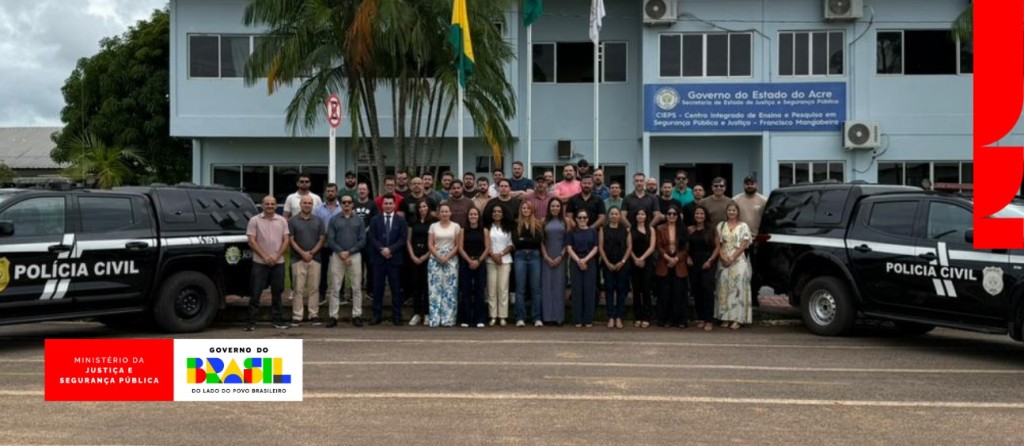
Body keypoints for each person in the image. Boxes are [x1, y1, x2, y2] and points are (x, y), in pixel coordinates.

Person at [246, 195, 290, 331]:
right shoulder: (254, 220)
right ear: (262, 205)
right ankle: (251, 322)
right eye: (267, 204)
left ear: (276, 206)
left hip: (278, 262)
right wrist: (265, 256)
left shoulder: (282, 220)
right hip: (260, 262)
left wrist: (276, 256)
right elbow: (251, 241)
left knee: (277, 293)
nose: (270, 206)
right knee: (255, 292)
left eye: (272, 204)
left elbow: (286, 240)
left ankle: (277, 320)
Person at [325, 194, 367, 328]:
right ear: (341, 204)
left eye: (349, 202)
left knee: (356, 287)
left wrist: (349, 252)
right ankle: (333, 316)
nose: (347, 205)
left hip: (354, 255)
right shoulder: (334, 219)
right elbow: (330, 239)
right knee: (335, 287)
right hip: (338, 255)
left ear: (353, 204)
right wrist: (341, 252)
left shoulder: (359, 220)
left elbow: (362, 240)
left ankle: (357, 315)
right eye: (344, 202)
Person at [368, 194, 408, 325]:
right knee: (377, 288)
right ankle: (376, 315)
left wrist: (390, 249)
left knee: (396, 289)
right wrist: (382, 249)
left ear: (395, 205)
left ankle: (397, 316)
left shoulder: (400, 220)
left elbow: (403, 239)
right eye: (386, 203)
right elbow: (372, 237)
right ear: (382, 205)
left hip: (394, 259)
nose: (388, 206)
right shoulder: (375, 220)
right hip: (378, 259)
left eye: (391, 203)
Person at [288, 195, 326, 327]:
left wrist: (311, 253)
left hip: (315, 259)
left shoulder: (318, 220)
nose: (307, 205)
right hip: (298, 259)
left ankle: (313, 315)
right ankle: (297, 316)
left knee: (314, 288)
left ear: (312, 205)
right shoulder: (292, 221)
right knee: (297, 289)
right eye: (305, 203)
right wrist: (303, 253)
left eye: (310, 203)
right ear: (300, 204)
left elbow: (322, 239)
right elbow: (291, 240)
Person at [714, 203, 753, 329]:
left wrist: (732, 258)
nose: (731, 212)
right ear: (726, 212)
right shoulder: (721, 225)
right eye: (729, 210)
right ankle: (725, 317)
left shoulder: (743, 226)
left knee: (738, 288)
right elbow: (718, 244)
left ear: (737, 212)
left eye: (734, 210)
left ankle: (738, 319)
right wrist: (723, 256)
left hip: (738, 260)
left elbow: (744, 244)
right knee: (723, 287)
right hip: (723, 260)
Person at [732, 176, 768, 307]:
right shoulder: (736, 200)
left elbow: (766, 219)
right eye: (747, 184)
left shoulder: (764, 200)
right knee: (738, 268)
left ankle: (754, 295)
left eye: (752, 183)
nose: (749, 186)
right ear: (744, 185)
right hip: (739, 240)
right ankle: (737, 295)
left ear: (756, 185)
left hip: (757, 240)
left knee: (756, 270)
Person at [427, 203, 461, 327]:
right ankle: (435, 319)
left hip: (451, 259)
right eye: (442, 211)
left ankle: (448, 319)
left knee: (450, 289)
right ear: (438, 213)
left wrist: (447, 256)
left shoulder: (456, 226)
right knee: (434, 289)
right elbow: (430, 244)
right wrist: (438, 256)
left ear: (450, 213)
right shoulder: (433, 226)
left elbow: (458, 245)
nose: (444, 214)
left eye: (447, 211)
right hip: (435, 258)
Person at [656, 205, 689, 328]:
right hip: (664, 263)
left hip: (679, 263)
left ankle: (680, 320)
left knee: (679, 293)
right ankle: (665, 319)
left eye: (674, 214)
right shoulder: (660, 228)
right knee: (664, 293)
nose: (671, 216)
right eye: (669, 213)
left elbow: (685, 247)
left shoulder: (683, 229)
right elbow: (658, 246)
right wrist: (668, 258)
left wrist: (676, 259)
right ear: (666, 215)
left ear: (678, 216)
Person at [512, 200, 543, 327]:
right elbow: (516, 242)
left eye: (528, 208)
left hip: (534, 256)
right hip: (520, 256)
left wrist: (523, 239)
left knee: (536, 288)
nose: (526, 210)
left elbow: (538, 241)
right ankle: (520, 317)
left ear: (531, 210)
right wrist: (527, 240)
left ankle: (537, 317)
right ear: (521, 210)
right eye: (523, 208)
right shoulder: (516, 224)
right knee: (520, 288)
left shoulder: (537, 223)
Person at [599, 206, 631, 329]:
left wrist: (622, 262)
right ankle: (611, 317)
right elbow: (601, 247)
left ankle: (619, 317)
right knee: (609, 289)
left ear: (620, 216)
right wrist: (607, 262)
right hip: (608, 263)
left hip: (622, 264)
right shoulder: (603, 229)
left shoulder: (625, 230)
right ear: (608, 215)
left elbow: (629, 247)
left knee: (621, 290)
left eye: (616, 214)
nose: (614, 216)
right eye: (612, 214)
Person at [458, 207, 490, 328]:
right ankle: (465, 319)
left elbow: (487, 247)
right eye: (471, 214)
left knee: (480, 291)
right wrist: (469, 261)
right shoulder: (463, 230)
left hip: (480, 262)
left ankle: (479, 319)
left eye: (475, 214)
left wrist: (478, 260)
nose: (473, 216)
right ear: (468, 216)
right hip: (466, 262)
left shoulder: (484, 230)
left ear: (478, 216)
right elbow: (460, 247)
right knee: (465, 291)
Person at [405, 200, 435, 326]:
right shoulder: (413, 221)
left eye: (424, 206)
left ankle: (427, 314)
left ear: (428, 208)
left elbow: (434, 242)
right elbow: (408, 240)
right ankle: (417, 314)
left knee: (426, 286)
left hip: (427, 256)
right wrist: (412, 255)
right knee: (415, 286)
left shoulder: (433, 223)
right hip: (414, 257)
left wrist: (425, 256)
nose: (422, 209)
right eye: (420, 207)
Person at [688, 205, 717, 331]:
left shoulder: (712, 229)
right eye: (697, 213)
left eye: (701, 214)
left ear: (705, 216)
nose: (699, 216)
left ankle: (709, 319)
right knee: (697, 290)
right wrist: (688, 257)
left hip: (708, 261)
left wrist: (710, 261)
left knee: (707, 290)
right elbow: (686, 246)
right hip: (694, 262)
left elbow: (717, 247)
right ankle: (701, 318)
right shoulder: (690, 229)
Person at [567, 210, 599, 327]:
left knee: (589, 291)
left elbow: (596, 247)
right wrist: (579, 261)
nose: (582, 220)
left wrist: (585, 260)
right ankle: (577, 319)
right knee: (577, 291)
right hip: (575, 261)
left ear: (588, 219)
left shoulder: (593, 232)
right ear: (576, 219)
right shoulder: (572, 232)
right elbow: (569, 248)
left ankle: (588, 319)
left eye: (584, 217)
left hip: (589, 261)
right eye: (579, 217)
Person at [314, 183, 344, 307]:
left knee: (339, 270)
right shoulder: (318, 209)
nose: (330, 193)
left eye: (332, 191)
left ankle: (340, 294)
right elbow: (315, 225)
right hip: (323, 244)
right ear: (325, 193)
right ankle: (322, 294)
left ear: (336, 193)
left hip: (338, 244)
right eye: (328, 191)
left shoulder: (342, 208)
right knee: (323, 270)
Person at [541, 197, 568, 326]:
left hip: (560, 257)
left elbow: (567, 241)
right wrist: (546, 256)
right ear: (549, 208)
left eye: (557, 206)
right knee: (547, 286)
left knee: (559, 286)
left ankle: (559, 317)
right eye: (552, 206)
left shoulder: (566, 222)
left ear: (561, 208)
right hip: (547, 257)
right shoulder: (543, 221)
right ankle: (547, 317)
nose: (555, 208)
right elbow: (541, 241)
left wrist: (561, 256)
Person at [486, 206, 514, 326]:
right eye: (494, 211)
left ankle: (502, 316)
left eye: (499, 211)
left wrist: (501, 254)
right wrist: (493, 255)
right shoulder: (488, 228)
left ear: (503, 214)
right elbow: (485, 244)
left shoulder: (508, 228)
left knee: (503, 288)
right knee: (492, 288)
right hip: (490, 260)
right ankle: (493, 316)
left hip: (505, 260)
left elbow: (511, 244)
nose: (497, 213)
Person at [629, 209, 656, 328]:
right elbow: (629, 247)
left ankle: (646, 316)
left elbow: (652, 247)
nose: (640, 216)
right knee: (636, 290)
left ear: (646, 216)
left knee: (646, 289)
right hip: (634, 261)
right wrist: (636, 259)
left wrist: (642, 258)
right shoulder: (630, 230)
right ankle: (638, 316)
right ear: (635, 217)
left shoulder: (651, 229)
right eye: (638, 214)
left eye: (642, 214)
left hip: (647, 262)